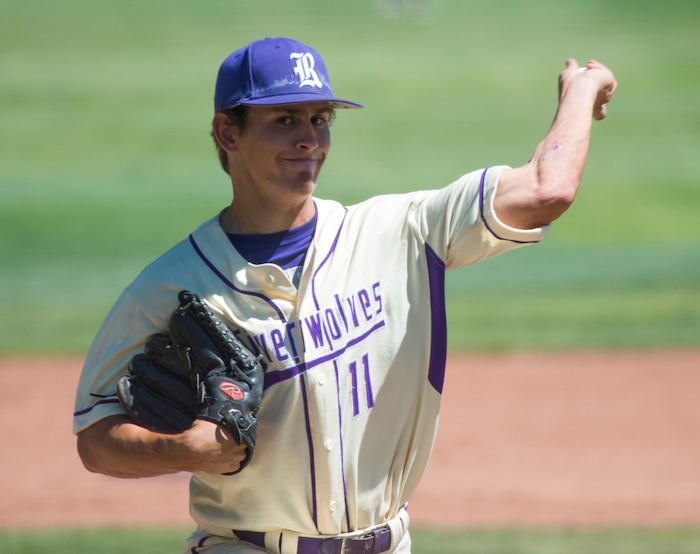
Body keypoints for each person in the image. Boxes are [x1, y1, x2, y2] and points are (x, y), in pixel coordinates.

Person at [74, 36, 617, 553]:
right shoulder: (168, 287)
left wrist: (582, 89)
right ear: (228, 132)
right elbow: (94, 438)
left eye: (319, 119)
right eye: (284, 120)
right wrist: (179, 449)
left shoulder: (400, 232)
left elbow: (549, 189)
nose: (309, 138)